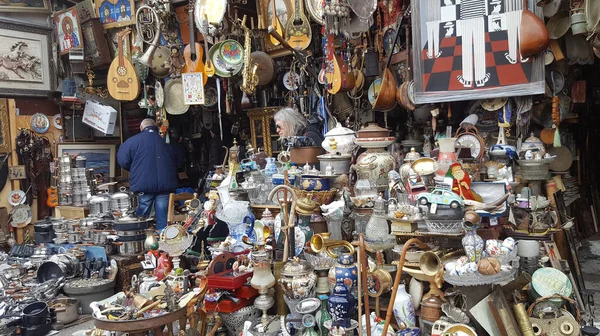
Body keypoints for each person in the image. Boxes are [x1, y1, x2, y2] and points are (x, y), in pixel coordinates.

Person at [117, 119, 179, 230]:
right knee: (164, 218)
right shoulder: (167, 141)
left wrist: (135, 169)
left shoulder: (132, 141)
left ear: (141, 128)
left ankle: (140, 239)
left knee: (141, 217)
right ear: (155, 126)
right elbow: (179, 160)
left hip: (143, 184)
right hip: (165, 185)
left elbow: (122, 160)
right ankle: (162, 240)